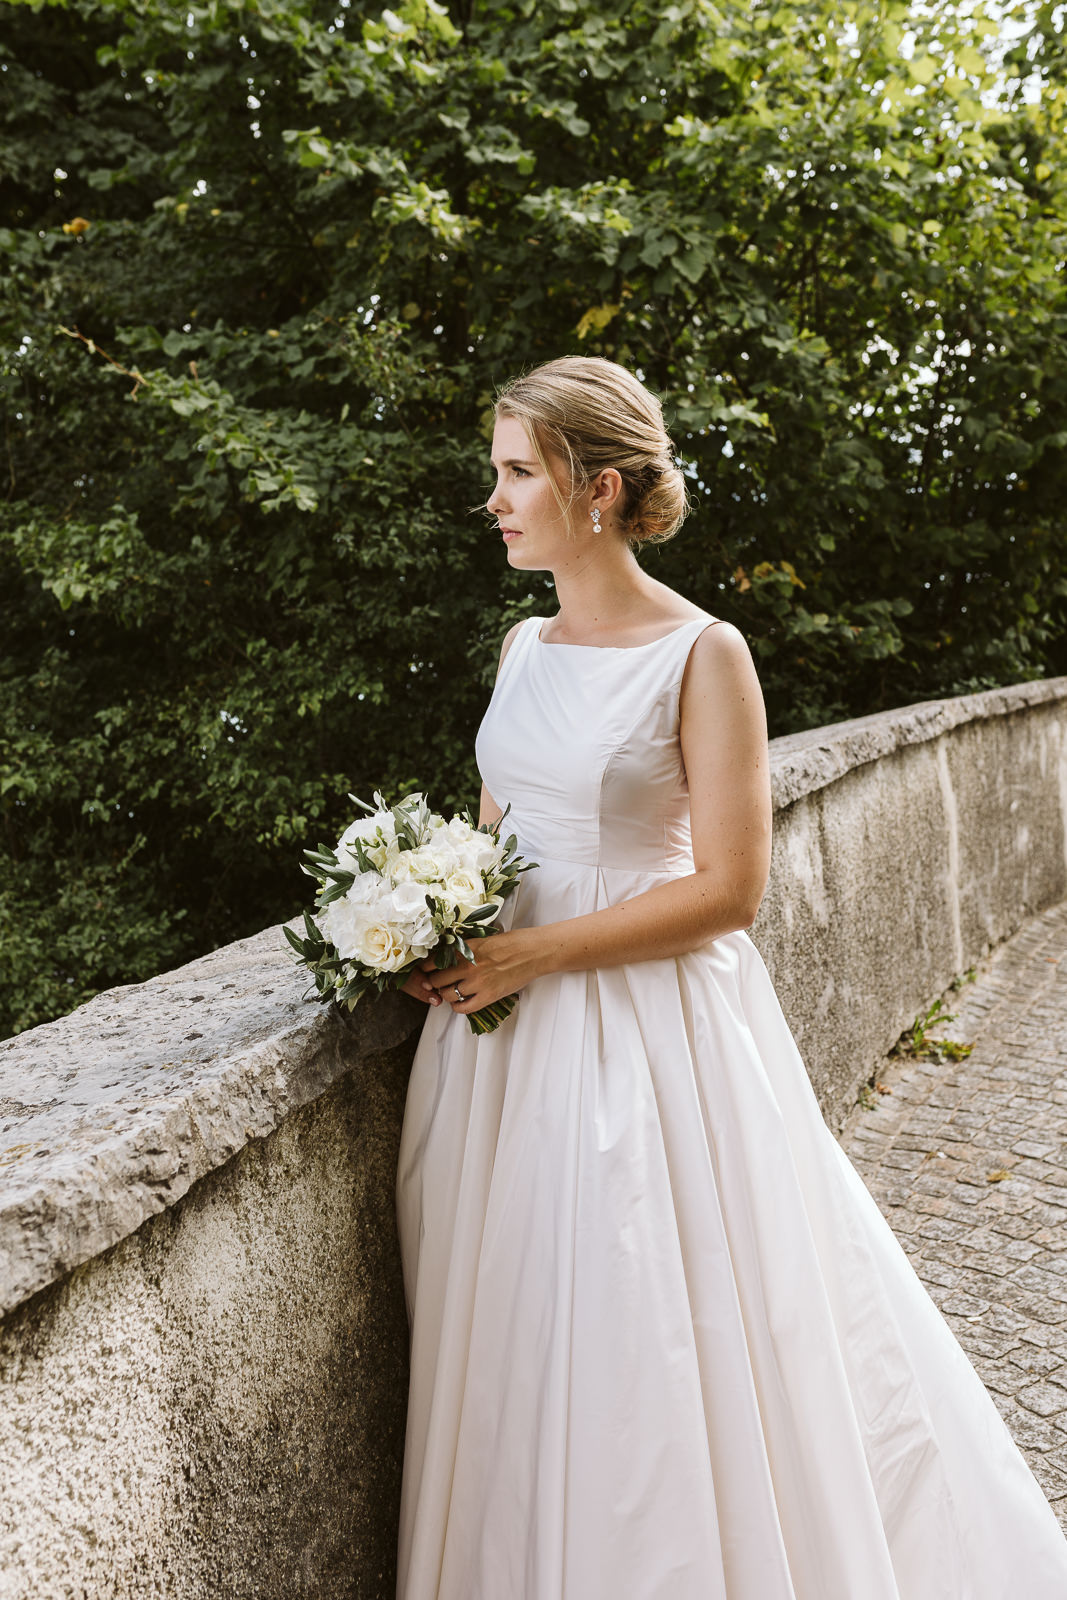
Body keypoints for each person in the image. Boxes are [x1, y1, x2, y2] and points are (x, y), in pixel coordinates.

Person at [392, 355, 1067, 1599]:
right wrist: (419, 913)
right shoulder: (519, 646)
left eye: (511, 472)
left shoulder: (703, 653)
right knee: (514, 1336)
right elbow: (494, 846)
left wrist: (526, 954)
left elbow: (727, 890)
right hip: (496, 1042)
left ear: (594, 489)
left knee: (640, 1323)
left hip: (649, 1039)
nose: (491, 498)